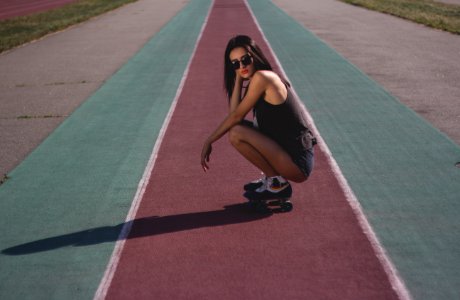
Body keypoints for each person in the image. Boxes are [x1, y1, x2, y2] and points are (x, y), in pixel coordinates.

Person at [200, 35, 314, 200]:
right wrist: (239, 77)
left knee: (237, 132)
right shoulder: (257, 78)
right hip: (285, 152)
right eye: (235, 63)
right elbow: (234, 114)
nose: (242, 66)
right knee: (235, 132)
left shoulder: (263, 78)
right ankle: (274, 179)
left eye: (245, 60)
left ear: (255, 56)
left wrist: (209, 140)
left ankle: (277, 183)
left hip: (297, 162)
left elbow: (236, 117)